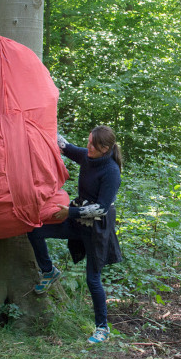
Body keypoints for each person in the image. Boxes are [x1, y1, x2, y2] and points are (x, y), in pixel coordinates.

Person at [27, 125, 123, 344]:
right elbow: (63, 145)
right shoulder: (87, 156)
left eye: (92, 144)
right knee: (34, 229)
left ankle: (102, 328)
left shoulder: (111, 171)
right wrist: (39, 124)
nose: (87, 146)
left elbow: (102, 208)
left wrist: (69, 212)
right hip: (77, 222)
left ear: (105, 148)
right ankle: (48, 271)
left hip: (97, 229)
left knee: (93, 280)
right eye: (88, 141)